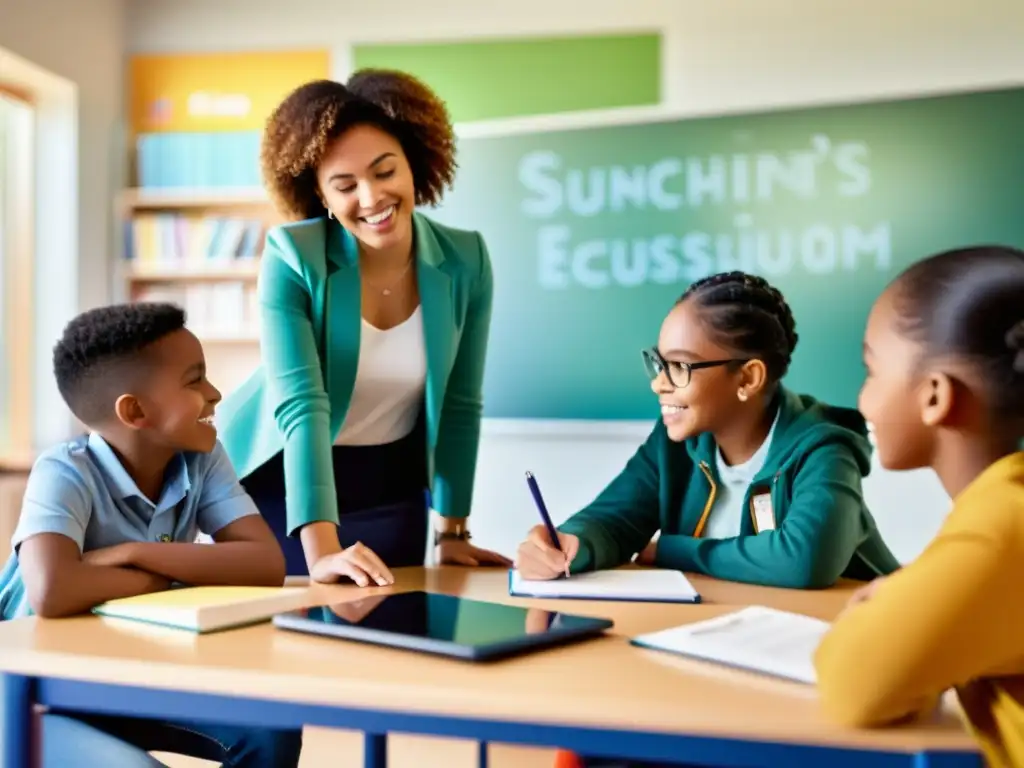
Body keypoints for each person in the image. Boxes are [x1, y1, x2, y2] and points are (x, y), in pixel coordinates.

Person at [216, 70, 510, 584]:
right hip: (284, 484)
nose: (371, 197)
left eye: (384, 171)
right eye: (345, 185)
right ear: (320, 195)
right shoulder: (292, 257)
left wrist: (453, 533)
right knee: (293, 643)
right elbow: (302, 406)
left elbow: (460, 403)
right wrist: (322, 553)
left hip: (393, 480)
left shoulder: (467, 260)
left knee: (399, 634)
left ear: (414, 163)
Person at [0, 303, 302, 768]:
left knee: (270, 731)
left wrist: (131, 554)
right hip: (32, 695)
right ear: (135, 410)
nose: (216, 393)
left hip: (124, 678)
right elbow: (53, 590)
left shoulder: (201, 457)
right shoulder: (64, 470)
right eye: (194, 380)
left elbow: (264, 564)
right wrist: (169, 579)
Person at [515, 270, 900, 588]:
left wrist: (670, 550)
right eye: (659, 363)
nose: (659, 383)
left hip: (851, 641)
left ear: (748, 378)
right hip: (736, 633)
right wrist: (571, 543)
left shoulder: (824, 446)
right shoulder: (675, 442)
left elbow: (803, 560)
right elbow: (616, 520)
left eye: (680, 367)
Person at [814, 245, 1024, 767]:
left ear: (934, 395)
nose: (862, 399)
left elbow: (853, 684)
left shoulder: (1002, 530)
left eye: (871, 370)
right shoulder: (999, 508)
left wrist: (876, 613)